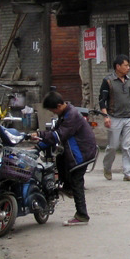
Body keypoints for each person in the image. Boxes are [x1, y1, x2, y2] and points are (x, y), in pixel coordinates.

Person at [33, 91, 97, 226]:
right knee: (60, 159)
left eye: (53, 110)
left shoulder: (71, 116)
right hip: (79, 151)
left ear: (59, 106)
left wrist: (39, 134)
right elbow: (54, 134)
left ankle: (82, 215)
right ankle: (68, 188)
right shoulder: (65, 114)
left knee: (77, 181)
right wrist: (38, 147)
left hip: (82, 153)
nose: (53, 113)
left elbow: (58, 135)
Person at [99, 54, 130, 182]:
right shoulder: (108, 81)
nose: (128, 68)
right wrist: (106, 116)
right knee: (113, 146)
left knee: (127, 146)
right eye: (126, 65)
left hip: (129, 117)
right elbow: (102, 100)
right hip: (114, 117)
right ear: (118, 66)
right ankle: (107, 167)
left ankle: (128, 173)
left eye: (128, 65)